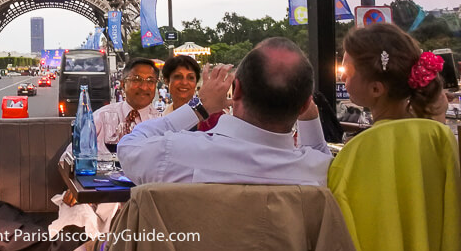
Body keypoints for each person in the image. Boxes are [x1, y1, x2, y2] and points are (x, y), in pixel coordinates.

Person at [328, 23, 461, 251]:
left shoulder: (357, 151)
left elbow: (343, 235)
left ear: (376, 88)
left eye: (347, 71)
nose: (342, 77)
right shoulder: (440, 136)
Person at [118, 38, 332, 186]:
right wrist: (310, 120)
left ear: (236, 90)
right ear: (304, 105)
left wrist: (199, 106)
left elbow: (128, 146)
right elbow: (322, 157)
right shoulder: (317, 171)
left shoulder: (176, 153)